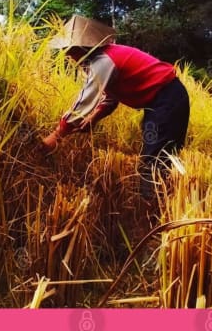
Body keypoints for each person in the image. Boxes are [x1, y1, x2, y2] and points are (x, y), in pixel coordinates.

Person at [42, 15, 190, 201]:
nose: (68, 55)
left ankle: (154, 210)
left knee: (154, 158)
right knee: (159, 152)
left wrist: (57, 134)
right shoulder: (105, 58)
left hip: (167, 98)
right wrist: (94, 118)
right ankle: (168, 201)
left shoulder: (103, 61)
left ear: (82, 47)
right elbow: (111, 97)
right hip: (163, 99)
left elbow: (85, 100)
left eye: (69, 50)